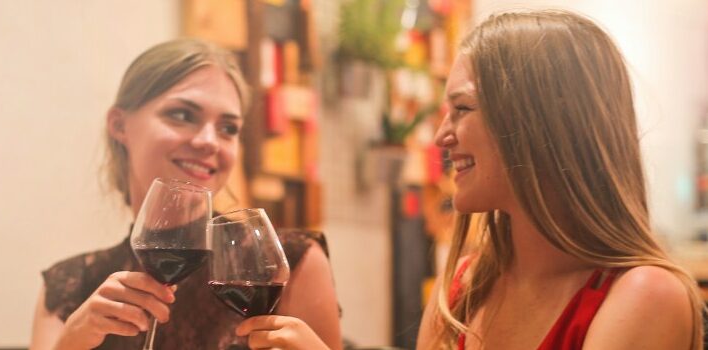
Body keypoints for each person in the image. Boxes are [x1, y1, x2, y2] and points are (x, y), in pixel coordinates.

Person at [236, 9, 706, 350]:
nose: (441, 135)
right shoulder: (465, 286)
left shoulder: (645, 295)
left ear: (541, 122)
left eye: (462, 109)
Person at [28, 38, 342, 350]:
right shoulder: (68, 284)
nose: (209, 141)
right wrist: (68, 344)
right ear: (120, 125)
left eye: (228, 128)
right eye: (182, 115)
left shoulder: (288, 265)